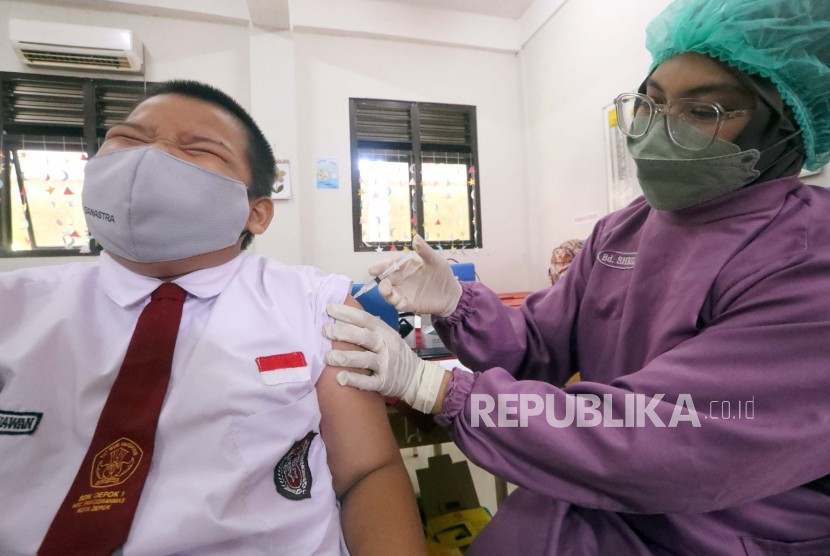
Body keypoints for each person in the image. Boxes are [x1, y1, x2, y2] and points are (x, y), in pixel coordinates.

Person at [323, 0, 830, 554]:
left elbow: (671, 437)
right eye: (650, 102)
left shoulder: (806, 258)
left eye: (704, 111)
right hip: (589, 501)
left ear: (784, 129)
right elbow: (537, 346)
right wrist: (458, 304)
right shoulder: (624, 230)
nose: (658, 128)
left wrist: (439, 388)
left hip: (718, 529)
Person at [0, 80, 425, 556]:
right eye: (129, 138)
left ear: (257, 212)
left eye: (197, 149)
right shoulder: (12, 308)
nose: (152, 158)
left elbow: (368, 472)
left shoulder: (315, 302)